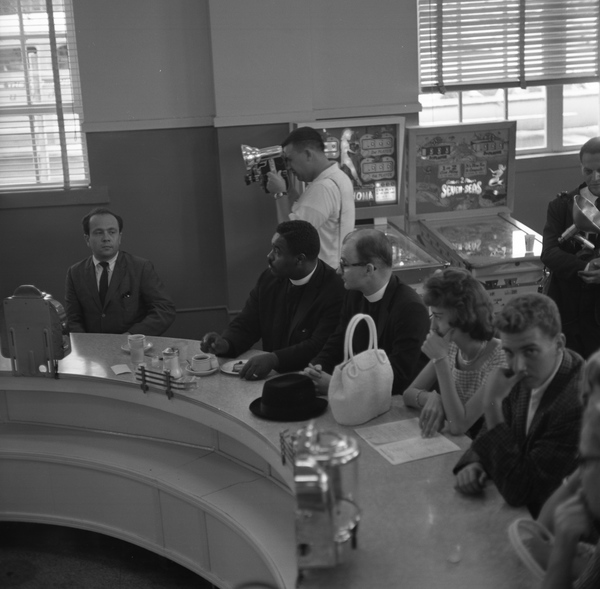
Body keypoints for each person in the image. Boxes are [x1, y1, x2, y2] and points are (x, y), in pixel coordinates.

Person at [453, 293, 584, 518]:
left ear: (559, 343)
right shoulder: (527, 373)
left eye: (530, 351)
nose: (519, 365)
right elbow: (494, 435)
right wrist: (476, 463)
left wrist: (491, 405)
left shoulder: (577, 404)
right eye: (509, 352)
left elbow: (521, 492)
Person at [200, 220, 344, 381]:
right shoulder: (268, 279)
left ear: (300, 259)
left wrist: (274, 359)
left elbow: (318, 345)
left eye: (277, 251)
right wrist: (226, 343)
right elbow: (247, 323)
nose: (269, 256)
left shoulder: (335, 289)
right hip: (271, 380)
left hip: (310, 381)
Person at [304, 228, 429, 396]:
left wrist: (338, 385)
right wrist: (318, 367)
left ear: (369, 269)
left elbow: (399, 376)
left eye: (344, 264)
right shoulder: (353, 294)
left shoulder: (410, 309)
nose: (338, 271)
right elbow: (338, 340)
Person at [403, 267, 507, 438]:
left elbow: (459, 425)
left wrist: (440, 360)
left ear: (464, 316)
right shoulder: (453, 346)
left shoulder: (501, 357)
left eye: (438, 317)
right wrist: (431, 398)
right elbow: (408, 394)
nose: (432, 327)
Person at [65, 207, 176, 336]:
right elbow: (73, 319)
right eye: (98, 232)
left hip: (134, 348)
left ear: (120, 237)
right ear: (87, 239)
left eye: (112, 232)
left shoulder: (140, 268)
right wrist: (87, 347)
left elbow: (164, 309)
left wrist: (132, 336)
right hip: (92, 351)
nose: (106, 238)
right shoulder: (75, 273)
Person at [541, 136, 600, 358]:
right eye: (588, 171)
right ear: (581, 168)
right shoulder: (562, 205)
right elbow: (549, 253)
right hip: (567, 308)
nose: (596, 178)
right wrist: (586, 268)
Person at [266, 126, 355, 269]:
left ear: (308, 154)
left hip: (322, 280)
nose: (288, 166)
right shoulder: (338, 178)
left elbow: (289, 238)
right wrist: (288, 188)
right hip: (332, 273)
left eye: (290, 159)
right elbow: (304, 213)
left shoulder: (323, 188)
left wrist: (279, 194)